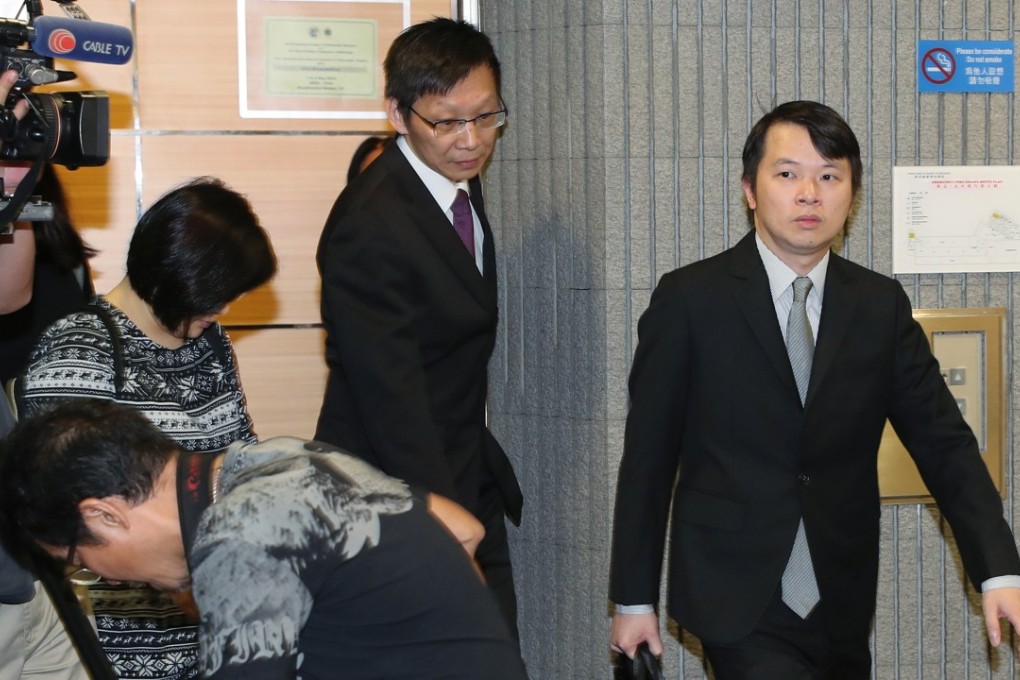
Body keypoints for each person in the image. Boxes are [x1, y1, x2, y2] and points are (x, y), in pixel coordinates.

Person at [608, 100, 1020, 678]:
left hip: (840, 595)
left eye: (829, 176)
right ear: (750, 189)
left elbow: (944, 443)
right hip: (736, 593)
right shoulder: (690, 301)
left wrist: (998, 570)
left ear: (851, 196)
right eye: (788, 174)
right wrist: (633, 599)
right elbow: (648, 459)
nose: (809, 193)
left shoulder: (878, 306)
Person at [0, 398, 530, 680]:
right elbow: (463, 527)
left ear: (106, 516)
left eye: (82, 561)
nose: (109, 577)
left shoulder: (236, 537)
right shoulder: (281, 458)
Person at [19, 176, 277, 680]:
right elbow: (72, 525)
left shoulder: (207, 342)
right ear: (172, 276)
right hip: (127, 634)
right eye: (214, 295)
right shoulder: (83, 351)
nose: (222, 310)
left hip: (218, 612)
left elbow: (241, 455)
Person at [315, 18, 523, 632]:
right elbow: (392, 400)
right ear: (398, 114)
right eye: (447, 121)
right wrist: (445, 518)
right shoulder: (370, 225)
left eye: (487, 117)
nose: (471, 139)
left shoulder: (453, 185)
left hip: (460, 469)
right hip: (398, 495)